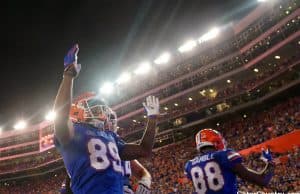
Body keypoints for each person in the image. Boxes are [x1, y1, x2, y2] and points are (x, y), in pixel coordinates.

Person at [54, 44, 159, 193]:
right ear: (80, 113)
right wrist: (68, 75)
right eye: (96, 109)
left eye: (103, 109)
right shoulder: (76, 131)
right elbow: (60, 119)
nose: (103, 114)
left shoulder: (112, 137)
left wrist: (153, 119)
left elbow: (144, 150)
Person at [184, 128, 275, 194]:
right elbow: (262, 180)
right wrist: (270, 163)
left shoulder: (189, 165)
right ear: (215, 141)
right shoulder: (224, 155)